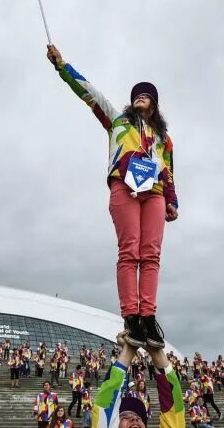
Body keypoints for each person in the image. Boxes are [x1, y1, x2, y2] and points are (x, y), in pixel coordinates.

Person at [46, 44, 178, 350]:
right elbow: (88, 91)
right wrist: (62, 66)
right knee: (129, 251)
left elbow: (169, 170)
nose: (140, 96)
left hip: (154, 194)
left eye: (146, 94)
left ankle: (148, 317)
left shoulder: (164, 139)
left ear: (155, 103)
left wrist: (172, 200)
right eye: (136, 94)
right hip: (125, 186)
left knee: (151, 255)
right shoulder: (117, 120)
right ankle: (131, 316)